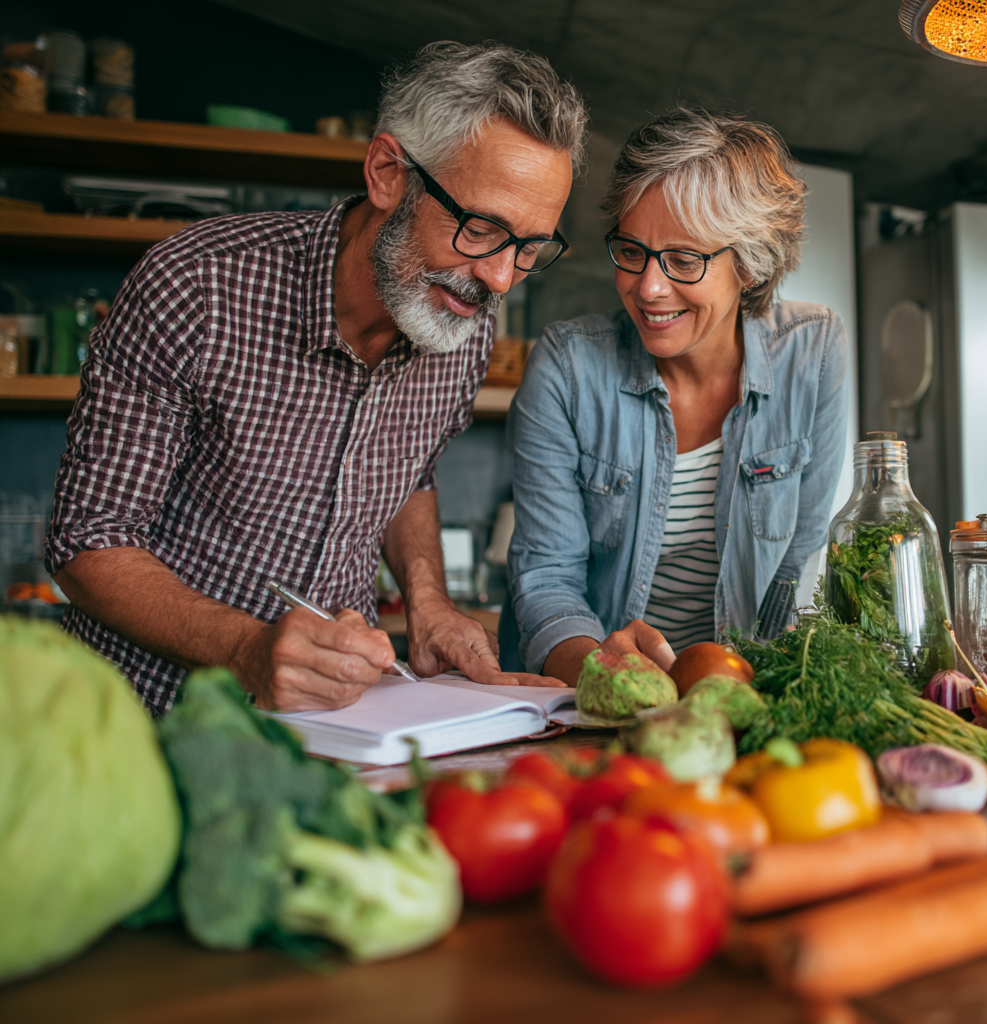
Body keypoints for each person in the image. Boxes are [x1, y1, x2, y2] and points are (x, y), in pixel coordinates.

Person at [45, 41, 588, 715]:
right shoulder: (195, 286)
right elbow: (88, 542)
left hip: (336, 732)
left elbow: (408, 470)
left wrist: (429, 602)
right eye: (481, 229)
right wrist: (248, 649)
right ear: (389, 173)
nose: (501, 278)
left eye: (530, 247)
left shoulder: (460, 323)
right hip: (140, 724)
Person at [500, 107, 848, 685]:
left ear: (752, 265)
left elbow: (794, 569)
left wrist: (753, 696)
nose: (648, 287)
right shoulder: (567, 366)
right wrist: (608, 676)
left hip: (736, 692)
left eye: (684, 259)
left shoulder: (813, 354)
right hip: (586, 699)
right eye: (631, 251)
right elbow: (547, 579)